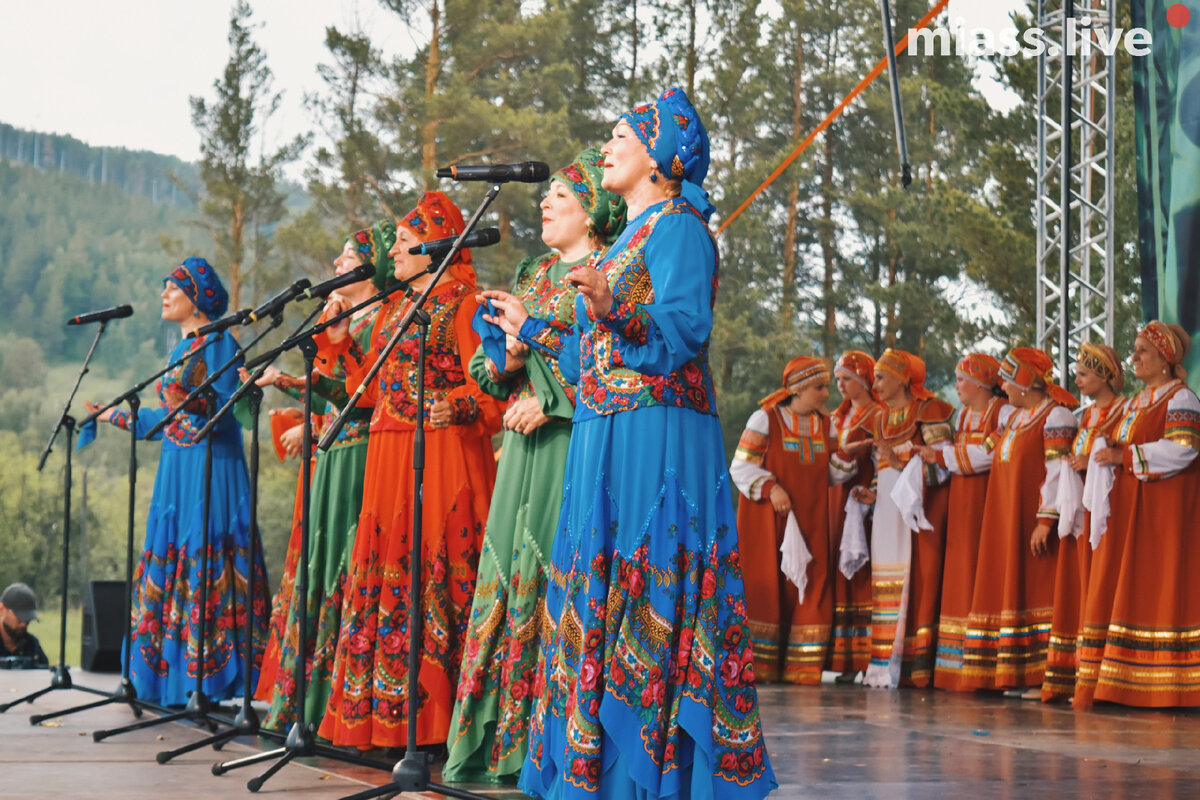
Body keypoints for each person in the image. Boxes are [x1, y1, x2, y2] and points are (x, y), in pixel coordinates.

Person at [481, 87, 776, 798]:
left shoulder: (677, 227)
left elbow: (683, 332)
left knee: (648, 574)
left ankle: (656, 772)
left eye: (620, 136)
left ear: (657, 158)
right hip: (604, 428)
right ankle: (599, 768)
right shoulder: (627, 239)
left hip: (658, 430)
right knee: (597, 581)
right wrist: (538, 329)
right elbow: (593, 359)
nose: (606, 147)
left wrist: (614, 307)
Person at [444, 150, 627, 783]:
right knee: (509, 574)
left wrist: (551, 406)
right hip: (521, 456)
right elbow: (484, 373)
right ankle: (500, 742)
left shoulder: (611, 276)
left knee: (556, 581)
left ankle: (551, 749)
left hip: (578, 448)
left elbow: (623, 375)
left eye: (560, 199)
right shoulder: (532, 276)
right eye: (544, 197)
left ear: (594, 214)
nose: (545, 205)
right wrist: (514, 362)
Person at [318, 193, 501, 748]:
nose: (391, 252)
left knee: (441, 574)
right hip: (388, 455)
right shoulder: (397, 308)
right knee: (389, 569)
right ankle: (391, 727)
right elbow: (368, 391)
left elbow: (495, 382)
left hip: (444, 456)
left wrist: (462, 403)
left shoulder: (465, 303)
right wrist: (338, 346)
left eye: (402, 243)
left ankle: (448, 728)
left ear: (435, 247)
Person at [85, 257, 268, 705]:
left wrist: (193, 402)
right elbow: (168, 417)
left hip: (212, 466)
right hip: (176, 466)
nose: (163, 296)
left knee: (207, 555)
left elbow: (233, 409)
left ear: (197, 299)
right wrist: (114, 415)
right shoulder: (177, 351)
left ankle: (207, 679)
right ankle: (169, 679)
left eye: (171, 289)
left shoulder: (220, 341)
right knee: (170, 557)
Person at [249, 221, 393, 731]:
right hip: (330, 455)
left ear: (373, 265)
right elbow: (332, 393)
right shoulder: (345, 316)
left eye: (348, 256)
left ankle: (333, 707)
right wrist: (292, 390)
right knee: (317, 566)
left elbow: (362, 397)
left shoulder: (384, 320)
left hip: (361, 458)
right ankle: (304, 702)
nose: (336, 264)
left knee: (341, 570)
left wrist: (296, 383)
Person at [1075, 322, 1200, 708]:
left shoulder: (1181, 399)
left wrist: (1123, 456)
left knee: (1160, 586)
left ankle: (1164, 684)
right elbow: (1120, 439)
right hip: (1134, 508)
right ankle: (1124, 682)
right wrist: (1104, 447)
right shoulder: (1137, 401)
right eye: (1134, 349)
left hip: (1165, 510)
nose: (1135, 357)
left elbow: (1183, 449)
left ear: (1165, 359)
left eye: (1143, 350)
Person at [953, 348, 1078, 695]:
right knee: (1008, 584)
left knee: (1037, 587)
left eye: (1009, 381)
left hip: (1030, 518)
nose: (1003, 388)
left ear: (1025, 383)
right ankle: (1013, 671)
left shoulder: (1057, 418)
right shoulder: (1012, 418)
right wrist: (935, 456)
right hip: (1004, 514)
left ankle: (1039, 672)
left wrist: (1045, 519)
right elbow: (985, 453)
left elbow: (1057, 472)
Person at [731, 356, 846, 685]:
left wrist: (852, 457)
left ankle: (803, 668)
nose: (826, 393)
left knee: (810, 583)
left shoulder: (827, 425)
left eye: (825, 386)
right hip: (769, 519)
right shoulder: (765, 419)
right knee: (767, 585)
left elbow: (834, 474)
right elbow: (740, 467)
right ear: (797, 389)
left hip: (812, 520)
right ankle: (762, 668)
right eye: (819, 387)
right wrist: (770, 487)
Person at [856, 349, 953, 689]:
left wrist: (898, 466)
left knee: (918, 578)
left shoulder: (929, 412)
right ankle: (883, 662)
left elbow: (943, 467)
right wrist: (871, 491)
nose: (875, 384)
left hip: (919, 516)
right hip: (885, 514)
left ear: (901, 378)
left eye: (881, 377)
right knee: (886, 580)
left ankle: (914, 663)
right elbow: (878, 470)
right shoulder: (878, 420)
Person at [918, 353, 1009, 691]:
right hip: (961, 500)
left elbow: (989, 455)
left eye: (961, 380)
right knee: (960, 568)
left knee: (983, 567)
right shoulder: (962, 416)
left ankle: (985, 665)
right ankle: (956, 668)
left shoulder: (1002, 412)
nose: (956, 387)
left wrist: (941, 455)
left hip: (988, 497)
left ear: (981, 383)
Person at [1041, 342, 1125, 703]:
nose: (1077, 381)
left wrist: (1091, 459)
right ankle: (1081, 674)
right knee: (1082, 588)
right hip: (1083, 517)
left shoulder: (1124, 410)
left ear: (1105, 375)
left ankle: (1105, 675)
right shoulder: (1083, 415)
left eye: (1085, 374)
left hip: (1110, 515)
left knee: (1103, 587)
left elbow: (1120, 451)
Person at [825, 351, 884, 682]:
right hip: (837, 500)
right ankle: (844, 659)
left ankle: (865, 656)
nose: (841, 385)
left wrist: (875, 491)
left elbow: (881, 457)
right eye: (837, 379)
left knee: (862, 575)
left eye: (847, 378)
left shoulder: (877, 414)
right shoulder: (837, 416)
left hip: (862, 502)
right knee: (840, 576)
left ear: (863, 380)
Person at [0, 583, 48, 667]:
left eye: (28, 620)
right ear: (2, 609)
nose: (24, 624)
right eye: (20, 618)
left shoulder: (31, 644)